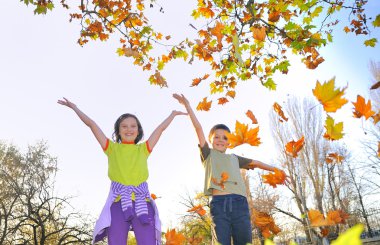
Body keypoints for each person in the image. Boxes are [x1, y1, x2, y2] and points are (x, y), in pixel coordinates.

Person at [58, 97, 186, 245]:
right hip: (118, 202)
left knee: (148, 241)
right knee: (116, 241)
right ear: (118, 131)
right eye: (124, 126)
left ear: (138, 131)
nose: (129, 129)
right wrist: (75, 108)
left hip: (141, 202)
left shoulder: (143, 149)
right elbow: (92, 125)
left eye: (133, 126)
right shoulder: (112, 148)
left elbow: (160, 129)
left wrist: (172, 114)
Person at [173, 93, 284, 245]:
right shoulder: (208, 154)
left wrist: (276, 170)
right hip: (219, 204)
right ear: (210, 139)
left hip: (240, 204)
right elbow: (198, 128)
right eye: (216, 137)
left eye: (225, 138)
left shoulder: (235, 158)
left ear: (230, 142)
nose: (220, 140)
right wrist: (187, 106)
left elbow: (256, 163)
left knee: (244, 241)